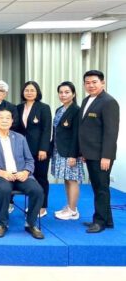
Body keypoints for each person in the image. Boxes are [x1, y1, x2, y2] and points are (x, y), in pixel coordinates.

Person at [0, 108, 45, 239]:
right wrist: (0, 171)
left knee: (37, 190)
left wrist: (26, 171)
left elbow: (30, 160)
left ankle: (31, 223)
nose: (4, 120)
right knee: (4, 189)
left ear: (12, 121)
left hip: (20, 174)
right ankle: (2, 224)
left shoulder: (20, 138)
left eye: (8, 118)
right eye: (1, 117)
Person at [79, 70, 120, 234]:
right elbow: (86, 129)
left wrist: (106, 156)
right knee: (97, 187)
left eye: (94, 82)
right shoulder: (86, 100)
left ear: (102, 83)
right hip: (90, 153)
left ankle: (99, 222)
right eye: (87, 83)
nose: (91, 85)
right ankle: (107, 220)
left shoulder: (109, 102)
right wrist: (84, 152)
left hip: (101, 155)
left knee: (101, 188)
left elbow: (111, 132)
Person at [16, 81, 52, 218]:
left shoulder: (44, 108)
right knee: (28, 178)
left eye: (32, 90)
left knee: (40, 178)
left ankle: (42, 207)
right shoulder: (19, 107)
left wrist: (43, 148)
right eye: (27, 90)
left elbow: (47, 129)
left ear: (37, 92)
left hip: (39, 150)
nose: (29, 93)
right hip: (22, 149)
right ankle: (32, 204)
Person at [51, 81, 84, 220]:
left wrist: (73, 155)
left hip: (70, 152)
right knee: (67, 179)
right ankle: (70, 206)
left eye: (67, 92)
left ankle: (73, 210)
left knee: (72, 180)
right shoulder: (60, 109)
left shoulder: (76, 110)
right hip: (59, 150)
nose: (63, 95)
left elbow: (77, 134)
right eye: (61, 92)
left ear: (73, 94)